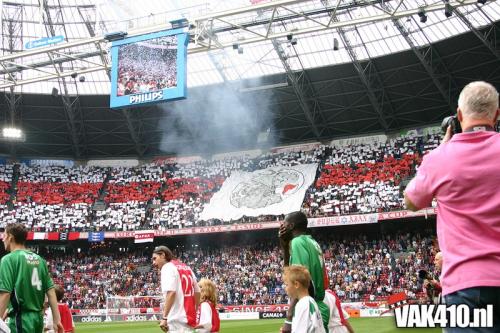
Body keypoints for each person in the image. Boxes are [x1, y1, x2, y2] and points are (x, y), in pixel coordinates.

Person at [404, 81, 500, 332]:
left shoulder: (440, 158)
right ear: (497, 115)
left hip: (465, 286)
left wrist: (442, 148)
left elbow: (411, 202)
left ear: (458, 116)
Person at [0, 223, 64, 333]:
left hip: (21, 319)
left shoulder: (8, 259)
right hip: (38, 319)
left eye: (4, 235)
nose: (2, 238)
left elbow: (5, 293)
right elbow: (50, 291)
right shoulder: (40, 260)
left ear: (10, 237)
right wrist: (57, 320)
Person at [279, 211, 329, 333]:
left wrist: (289, 319)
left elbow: (299, 280)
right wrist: (285, 247)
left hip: (307, 308)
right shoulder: (313, 242)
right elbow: (288, 274)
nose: (281, 226)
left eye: (284, 223)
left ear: (291, 226)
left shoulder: (298, 242)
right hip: (317, 306)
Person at [152, 245, 200, 333]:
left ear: (162, 255)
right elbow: (197, 291)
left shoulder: (167, 267)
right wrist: (195, 311)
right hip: (188, 319)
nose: (153, 262)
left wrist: (164, 317)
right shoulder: (186, 267)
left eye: (155, 258)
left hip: (176, 320)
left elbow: (171, 293)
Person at [282, 265, 325, 333]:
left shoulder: (302, 305)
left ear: (296, 284)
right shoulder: (311, 301)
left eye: (287, 285)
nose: (285, 288)